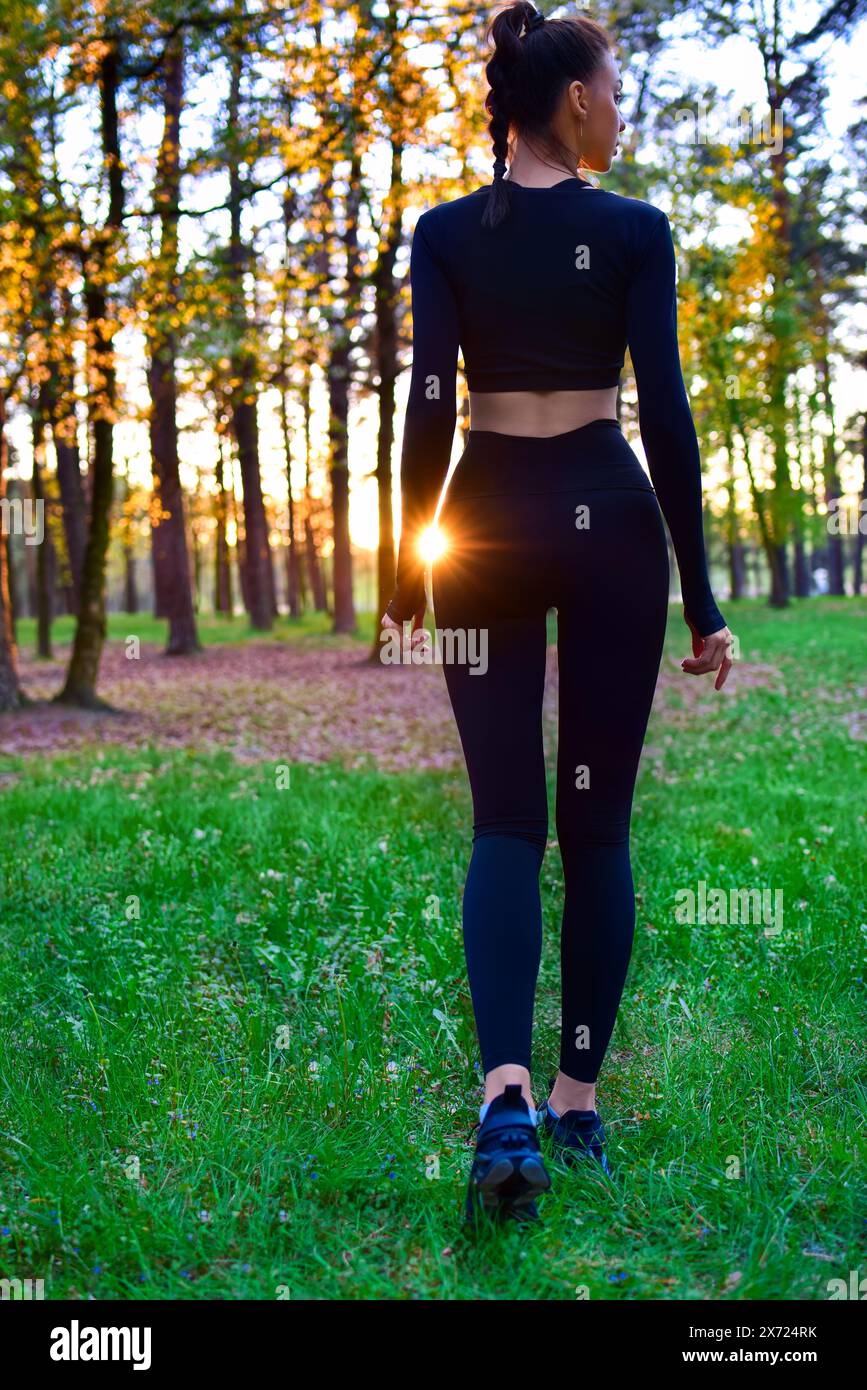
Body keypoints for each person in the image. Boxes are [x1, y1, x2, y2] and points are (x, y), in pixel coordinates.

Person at [381, 1, 733, 1223]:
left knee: (502, 824)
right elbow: (668, 418)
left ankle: (508, 1097)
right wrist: (704, 603)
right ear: (575, 101)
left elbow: (429, 407)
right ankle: (579, 1105)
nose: (623, 108)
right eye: (617, 89)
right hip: (609, 521)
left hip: (479, 531)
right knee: (596, 828)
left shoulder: (442, 234)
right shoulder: (635, 231)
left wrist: (398, 578)